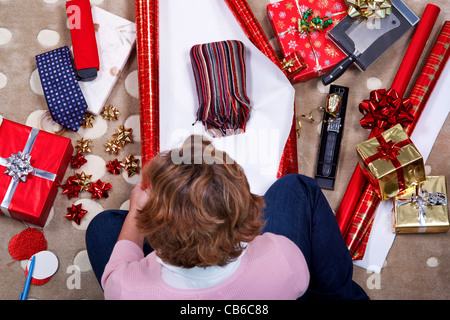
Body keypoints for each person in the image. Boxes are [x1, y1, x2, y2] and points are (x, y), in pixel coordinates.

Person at [86, 135, 369, 300]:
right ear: (247, 220)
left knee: (102, 227)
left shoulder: (125, 288)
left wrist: (137, 210)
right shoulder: (281, 258)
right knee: (296, 187)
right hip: (268, 287)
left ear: (154, 236)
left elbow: (115, 274)